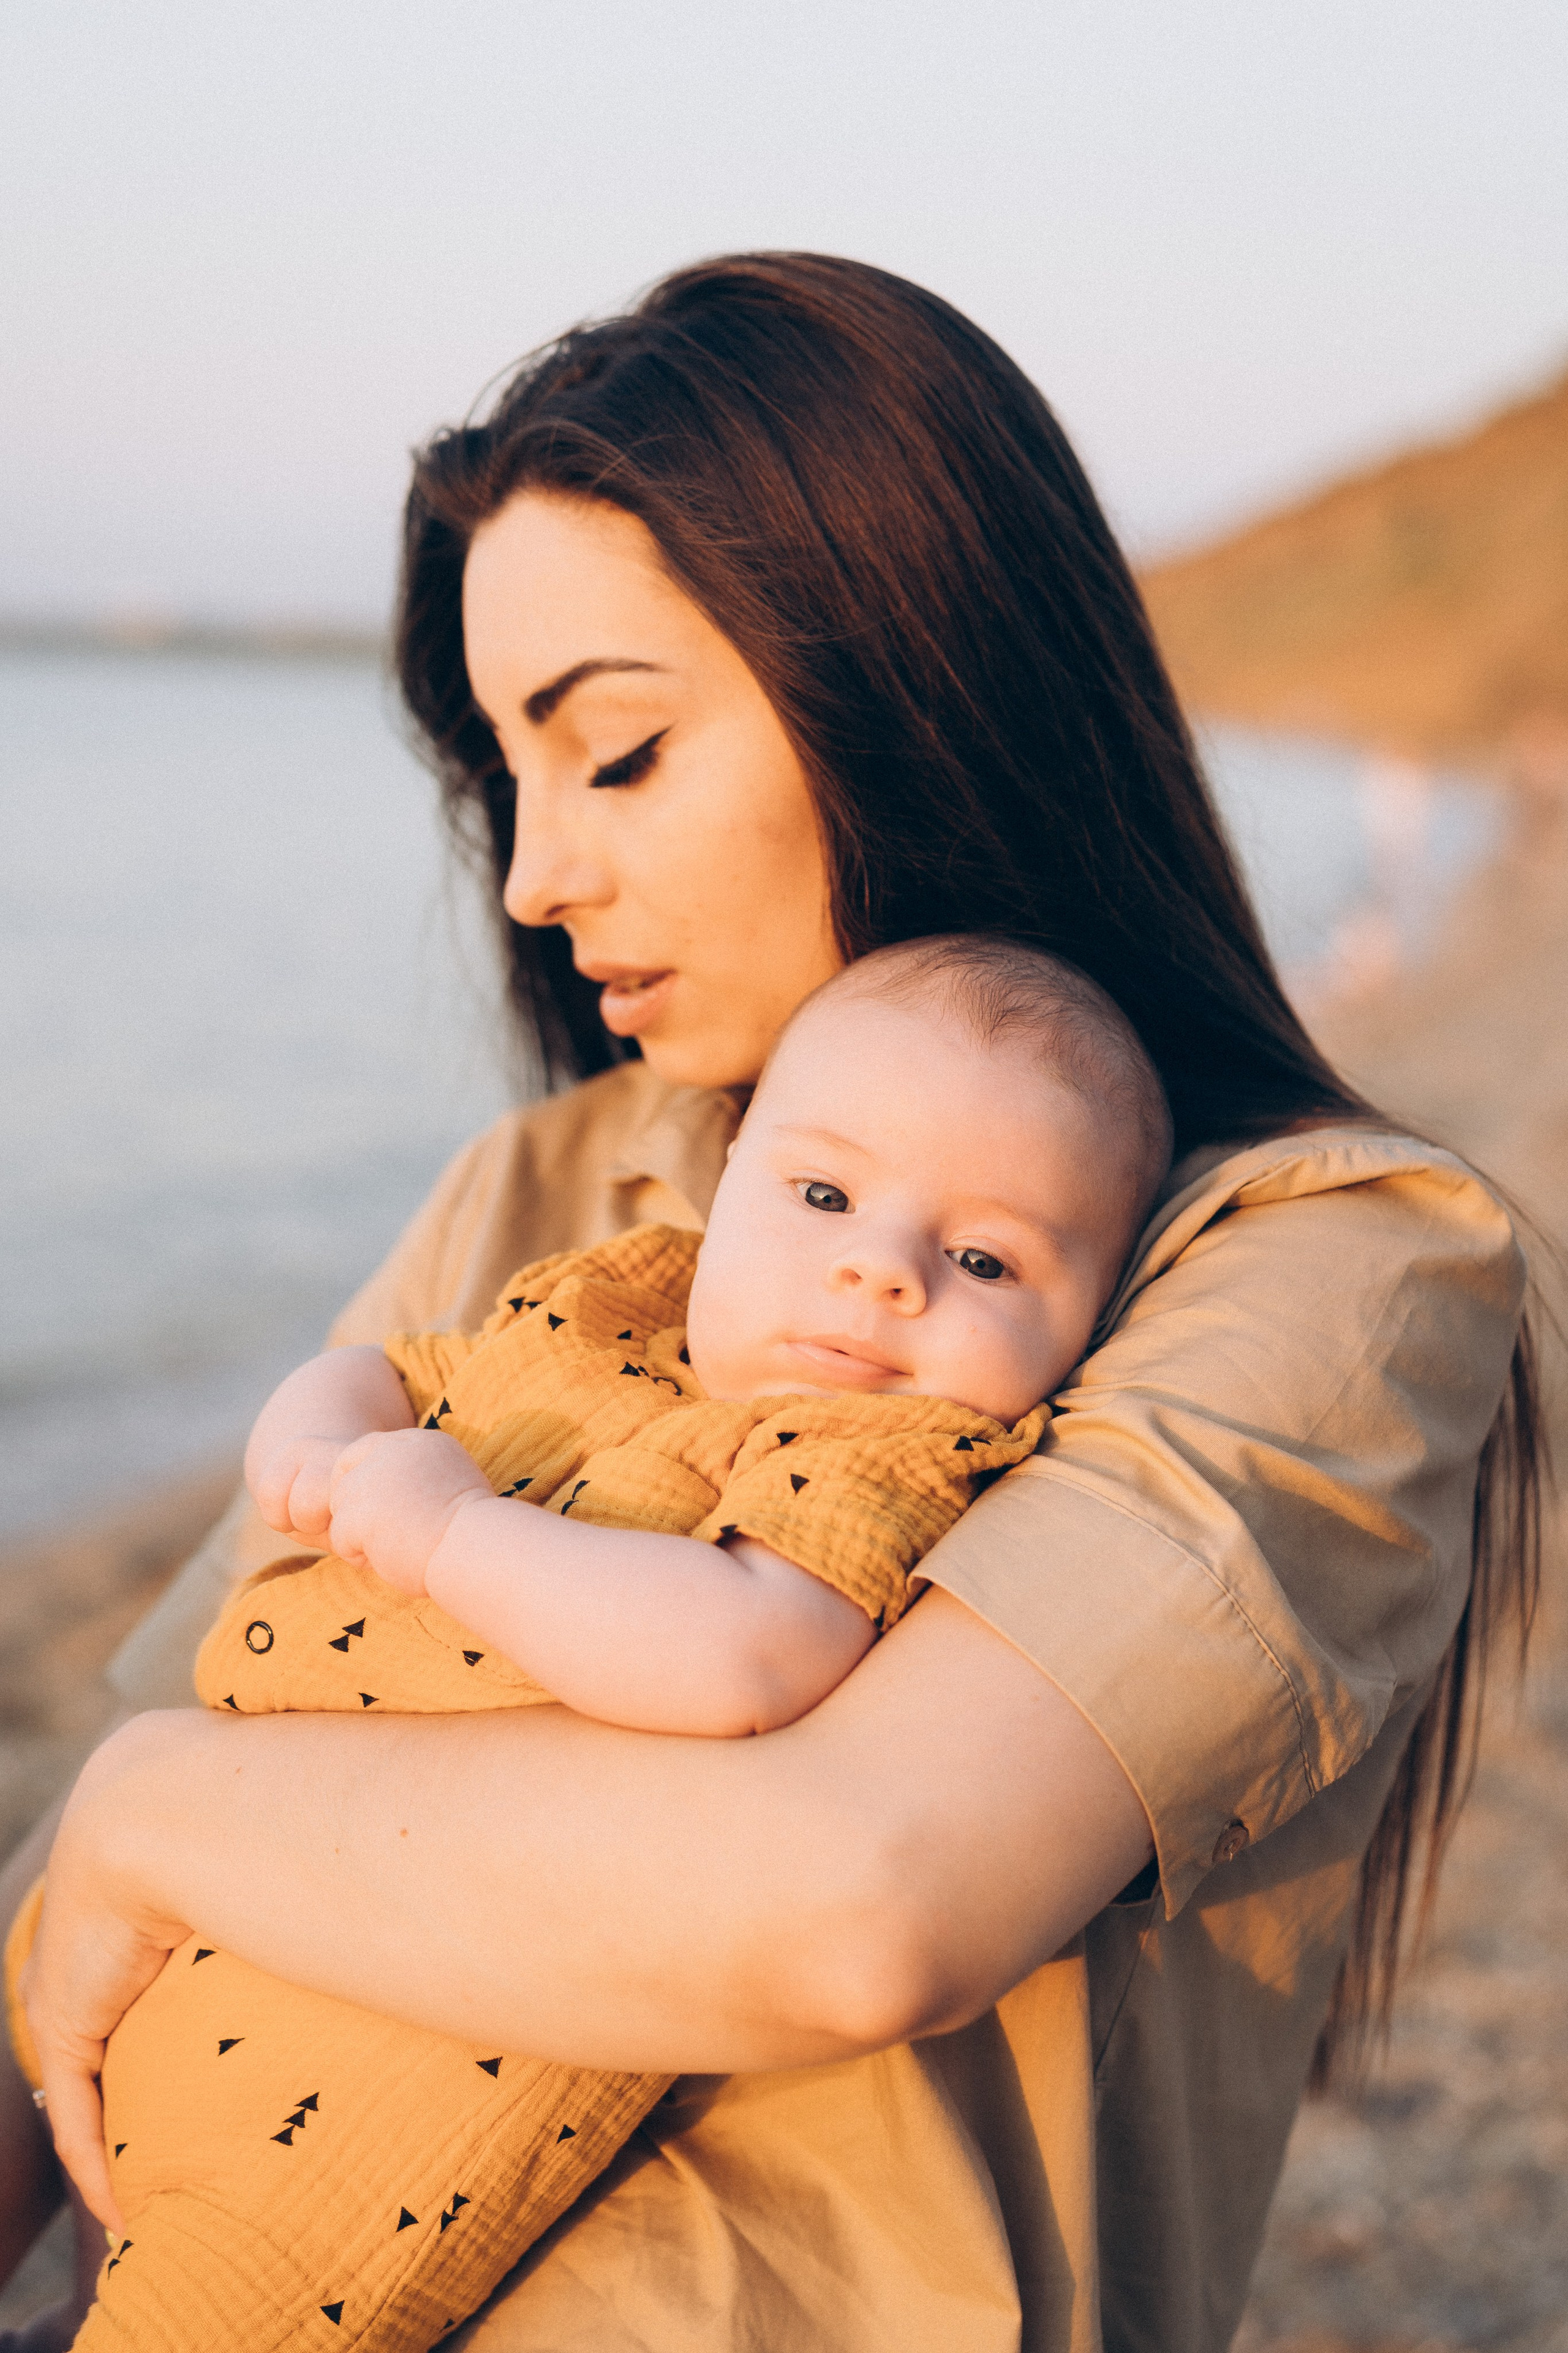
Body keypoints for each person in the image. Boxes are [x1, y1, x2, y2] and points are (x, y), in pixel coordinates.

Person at [4, 252, 1544, 2353]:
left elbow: (858, 1895)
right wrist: (130, 1819)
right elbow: (124, 1827)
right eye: (505, 773)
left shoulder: (1330, 1268)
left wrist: (163, 1820)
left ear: (915, 682)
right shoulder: (562, 1191)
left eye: (613, 754)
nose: (534, 875)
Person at [6, 938, 1172, 2347]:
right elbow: (393, 1367)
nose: (878, 1271)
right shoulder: (609, 1301)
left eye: (982, 1258)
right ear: (728, 1175)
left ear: (1089, 1319)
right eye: (821, 1194)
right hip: (203, 1931)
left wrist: (449, 1535)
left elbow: (743, 1655)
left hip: (386, 2079)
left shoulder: (879, 1450)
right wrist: (308, 1434)